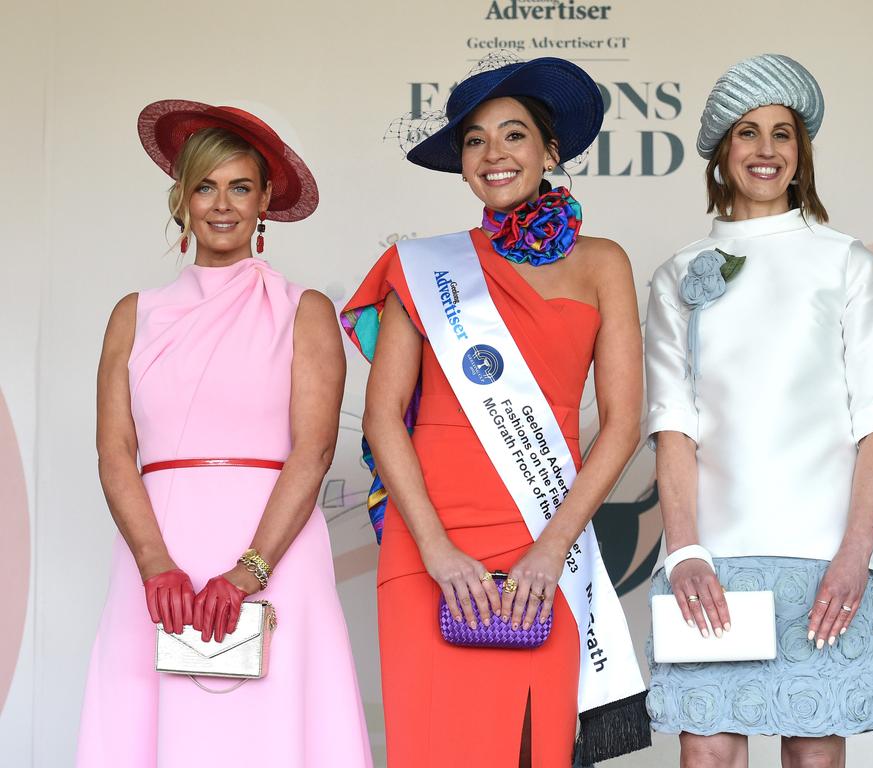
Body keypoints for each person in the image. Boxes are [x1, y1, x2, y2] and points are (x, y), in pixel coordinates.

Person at [341, 55, 650, 767]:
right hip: (428, 546)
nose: (494, 154)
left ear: (550, 151)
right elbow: (384, 417)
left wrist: (553, 548)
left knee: (533, 746)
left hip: (544, 536)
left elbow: (624, 421)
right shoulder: (421, 267)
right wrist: (438, 551)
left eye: (514, 135)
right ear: (463, 165)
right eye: (475, 141)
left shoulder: (604, 263)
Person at [76, 100, 372, 767]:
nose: (222, 204)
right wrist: (156, 565)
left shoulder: (306, 311)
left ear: (265, 199)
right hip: (156, 555)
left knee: (271, 732)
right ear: (181, 197)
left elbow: (314, 449)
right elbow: (114, 450)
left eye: (240, 186)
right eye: (205, 186)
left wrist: (250, 569)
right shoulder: (135, 315)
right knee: (149, 724)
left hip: (276, 553)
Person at [644, 54, 873, 767]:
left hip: (825, 559)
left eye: (782, 134)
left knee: (814, 754)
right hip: (713, 557)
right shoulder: (677, 274)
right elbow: (672, 425)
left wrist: (855, 552)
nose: (765, 150)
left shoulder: (846, 262)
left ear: (801, 154)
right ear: (721, 152)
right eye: (748, 133)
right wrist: (687, 551)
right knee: (707, 751)